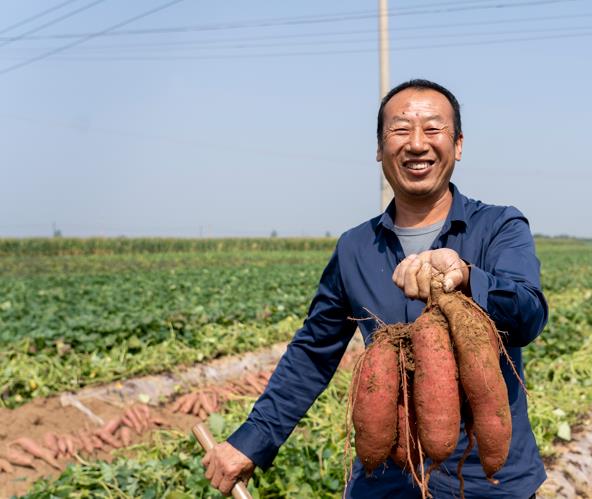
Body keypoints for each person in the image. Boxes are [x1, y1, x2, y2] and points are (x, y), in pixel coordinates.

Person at [202, 79, 549, 498]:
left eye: (433, 129)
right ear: (379, 149)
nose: (417, 144)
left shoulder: (499, 227)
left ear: (457, 144)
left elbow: (528, 315)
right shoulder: (355, 248)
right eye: (401, 130)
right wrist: (251, 441)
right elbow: (314, 352)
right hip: (386, 479)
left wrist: (466, 277)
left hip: (486, 482)